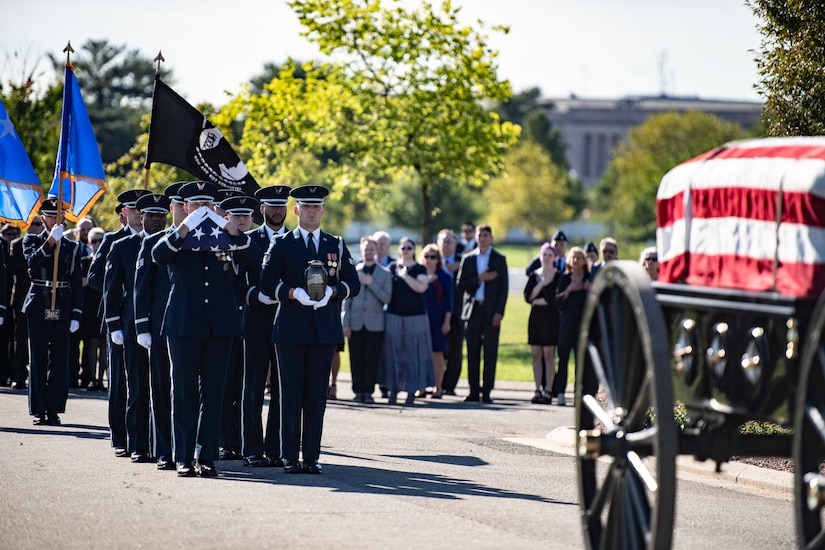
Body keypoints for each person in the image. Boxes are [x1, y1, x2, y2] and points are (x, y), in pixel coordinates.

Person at [152, 181, 258, 477]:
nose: (201, 211)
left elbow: (254, 256)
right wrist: (185, 227)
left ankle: (206, 455)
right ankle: (183, 455)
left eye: (206, 206)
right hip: (184, 323)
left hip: (219, 325)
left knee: (214, 393)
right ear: (185, 208)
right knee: (183, 392)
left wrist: (232, 229)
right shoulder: (176, 236)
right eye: (196, 206)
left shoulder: (226, 235)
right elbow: (159, 255)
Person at [258, 184, 359, 474]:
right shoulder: (282, 244)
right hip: (290, 329)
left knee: (316, 395)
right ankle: (290, 456)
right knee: (290, 395)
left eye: (317, 207)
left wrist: (334, 291)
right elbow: (266, 281)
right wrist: (291, 293)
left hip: (323, 331)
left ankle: (312, 457)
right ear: (296, 210)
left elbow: (354, 282)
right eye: (307, 207)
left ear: (323, 211)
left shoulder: (335, 244)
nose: (312, 211)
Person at [105, 193, 169, 463]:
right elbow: (111, 289)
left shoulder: (172, 243)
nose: (156, 220)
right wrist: (114, 325)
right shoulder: (123, 246)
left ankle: (161, 446)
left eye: (160, 215)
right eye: (151, 215)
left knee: (163, 389)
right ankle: (137, 444)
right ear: (140, 217)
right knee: (138, 389)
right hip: (133, 328)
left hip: (165, 326)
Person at [89, 189, 150, 457]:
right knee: (120, 381)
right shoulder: (114, 241)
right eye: (133, 209)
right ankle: (120, 435)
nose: (138, 213)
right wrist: (120, 290)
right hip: (120, 320)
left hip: (146, 319)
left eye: (142, 209)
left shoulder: (154, 239)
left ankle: (142, 435)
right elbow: (95, 277)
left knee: (143, 381)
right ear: (123, 213)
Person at [134, 181, 187, 471]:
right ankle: (163, 449)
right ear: (173, 208)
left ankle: (187, 449)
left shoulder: (201, 239)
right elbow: (142, 288)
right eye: (179, 205)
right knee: (161, 389)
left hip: (188, 326)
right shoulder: (153, 242)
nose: (183, 209)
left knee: (186, 391)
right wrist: (142, 326)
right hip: (159, 327)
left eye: (186, 205)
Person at [239, 185, 290, 467]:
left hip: (287, 322)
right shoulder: (248, 240)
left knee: (283, 389)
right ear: (262, 210)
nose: (277, 211)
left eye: (281, 206)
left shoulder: (295, 241)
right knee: (253, 387)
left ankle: (276, 448)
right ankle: (252, 449)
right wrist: (254, 295)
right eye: (272, 206)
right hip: (256, 320)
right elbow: (236, 281)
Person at [22, 199, 82, 425]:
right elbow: (32, 264)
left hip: (62, 304)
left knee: (59, 360)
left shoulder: (72, 246)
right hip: (39, 303)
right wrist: (49, 242)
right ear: (44, 218)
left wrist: (76, 313)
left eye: (61, 216)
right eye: (53, 216)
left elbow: (75, 282)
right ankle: (38, 408)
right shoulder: (31, 240)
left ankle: (54, 408)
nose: (58, 220)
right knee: (37, 358)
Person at [217, 194, 257, 463]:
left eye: (245, 216)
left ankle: (246, 442)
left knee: (248, 387)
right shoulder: (215, 243)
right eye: (236, 216)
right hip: (225, 323)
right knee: (223, 385)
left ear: (253, 218)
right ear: (227, 218)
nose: (241, 220)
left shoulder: (259, 245)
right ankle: (223, 441)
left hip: (253, 323)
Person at [457, 224, 508, 403]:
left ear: (491, 237)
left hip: (491, 311)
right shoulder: (468, 259)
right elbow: (460, 284)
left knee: (490, 351)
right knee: (472, 351)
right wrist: (479, 279)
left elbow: (504, 289)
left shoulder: (499, 259)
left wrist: (499, 312)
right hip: (472, 311)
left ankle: (486, 391)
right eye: (480, 235)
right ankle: (473, 390)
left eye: (486, 235)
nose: (483, 238)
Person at [383, 237, 433, 405]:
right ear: (399, 250)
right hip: (393, 316)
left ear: (414, 250)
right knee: (394, 355)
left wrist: (405, 276)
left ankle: (412, 391)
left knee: (413, 356)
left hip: (416, 318)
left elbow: (422, 287)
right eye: (403, 247)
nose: (406, 250)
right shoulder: (391, 267)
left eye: (409, 248)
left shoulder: (420, 268)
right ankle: (393, 391)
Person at [342, 236, 392, 404]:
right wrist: (346, 322)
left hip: (375, 324)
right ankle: (358, 391)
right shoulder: (353, 272)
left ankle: (368, 391)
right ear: (361, 251)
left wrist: (372, 283)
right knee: (355, 358)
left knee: (372, 358)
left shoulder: (385, 273)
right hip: (355, 322)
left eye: (372, 248)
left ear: (376, 251)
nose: (369, 251)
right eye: (366, 249)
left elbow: (387, 298)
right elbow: (347, 301)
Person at [524, 243, 561, 404]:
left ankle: (548, 390)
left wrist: (539, 300)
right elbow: (528, 297)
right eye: (544, 255)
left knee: (548, 354)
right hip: (536, 319)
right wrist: (542, 284)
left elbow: (555, 300)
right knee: (536, 354)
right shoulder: (534, 276)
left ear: (555, 258)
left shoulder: (558, 276)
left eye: (550, 255)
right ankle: (537, 389)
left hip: (550, 319)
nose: (546, 258)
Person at [555, 246, 591, 406]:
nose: (576, 260)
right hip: (566, 326)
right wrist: (569, 290)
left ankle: (579, 394)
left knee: (580, 363)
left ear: (584, 261)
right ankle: (561, 393)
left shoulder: (589, 279)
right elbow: (557, 302)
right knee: (562, 360)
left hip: (582, 327)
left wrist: (589, 290)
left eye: (579, 257)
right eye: (573, 257)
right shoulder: (564, 278)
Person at [421, 243, 453, 399]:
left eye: (433, 257)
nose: (429, 260)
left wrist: (447, 321)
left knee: (436, 353)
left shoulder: (445, 277)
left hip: (438, 319)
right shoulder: (419, 275)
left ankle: (438, 387)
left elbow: (450, 303)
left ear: (438, 259)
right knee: (420, 354)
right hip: (420, 318)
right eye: (426, 257)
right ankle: (420, 386)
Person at [8, 220, 36, 390]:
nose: (36, 226)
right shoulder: (18, 244)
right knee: (19, 339)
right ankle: (18, 375)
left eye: (39, 224)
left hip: (41, 299)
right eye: (33, 223)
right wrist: (33, 261)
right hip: (20, 298)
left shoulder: (51, 242)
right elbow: (11, 268)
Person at [437, 229, 464, 396]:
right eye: (444, 241)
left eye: (450, 241)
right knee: (438, 349)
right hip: (437, 311)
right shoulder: (432, 260)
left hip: (459, 312)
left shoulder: (464, 261)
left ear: (455, 244)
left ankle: (450, 386)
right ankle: (436, 383)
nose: (447, 244)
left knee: (455, 350)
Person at [79, 227, 106, 391]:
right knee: (92, 342)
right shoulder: (84, 261)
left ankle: (100, 380)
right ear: (89, 243)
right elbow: (80, 282)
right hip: (89, 305)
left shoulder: (109, 259)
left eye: (101, 240)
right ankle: (90, 378)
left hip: (104, 303)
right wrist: (93, 279)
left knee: (104, 343)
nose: (98, 243)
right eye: (94, 240)